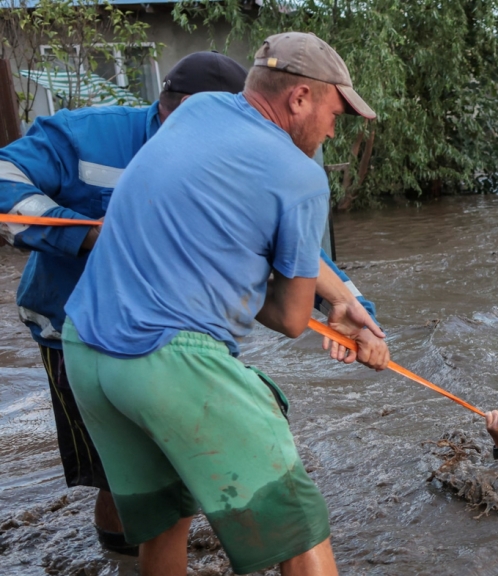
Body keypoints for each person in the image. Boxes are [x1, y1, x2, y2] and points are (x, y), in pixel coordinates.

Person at [62, 32, 386, 575]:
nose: (335, 128)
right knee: (297, 525)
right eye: (335, 113)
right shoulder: (301, 176)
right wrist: (344, 324)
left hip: (86, 352)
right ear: (300, 97)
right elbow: (287, 318)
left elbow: (215, 232)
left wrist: (343, 300)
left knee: (166, 520)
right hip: (167, 359)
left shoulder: (199, 109)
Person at [0, 51, 249, 555]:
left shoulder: (231, 156)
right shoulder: (85, 135)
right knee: (117, 473)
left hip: (176, 334)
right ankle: (124, 562)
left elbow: (283, 240)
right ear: (173, 112)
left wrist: (345, 301)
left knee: (184, 460)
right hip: (73, 329)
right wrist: (88, 235)